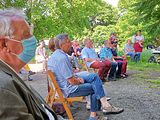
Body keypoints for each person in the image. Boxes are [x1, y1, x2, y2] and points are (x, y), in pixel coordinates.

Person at [48, 34, 124, 120]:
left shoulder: (55, 55)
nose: (71, 43)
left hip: (61, 86)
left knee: (94, 77)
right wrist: (80, 81)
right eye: (69, 41)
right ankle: (95, 115)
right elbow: (72, 81)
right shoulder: (62, 58)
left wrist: (78, 77)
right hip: (68, 89)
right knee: (94, 87)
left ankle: (104, 105)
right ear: (62, 44)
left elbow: (67, 75)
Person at [0, 8, 59, 120]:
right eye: (26, 35)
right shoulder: (3, 89)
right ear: (4, 44)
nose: (33, 40)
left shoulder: (10, 74)